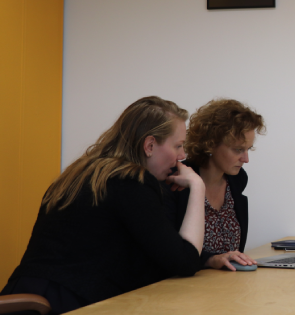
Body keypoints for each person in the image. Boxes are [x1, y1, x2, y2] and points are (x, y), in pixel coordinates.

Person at [1, 96, 205, 314]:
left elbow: (157, 252)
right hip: (68, 303)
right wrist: (197, 186)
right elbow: (185, 262)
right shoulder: (131, 182)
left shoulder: (82, 173)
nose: (182, 156)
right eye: (178, 146)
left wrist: (209, 258)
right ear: (150, 145)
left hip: (26, 298)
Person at [166, 98, 265, 271]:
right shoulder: (176, 180)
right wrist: (210, 260)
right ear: (210, 144)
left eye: (248, 149)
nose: (246, 159)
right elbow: (170, 251)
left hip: (226, 287)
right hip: (183, 289)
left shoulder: (238, 180)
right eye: (238, 149)